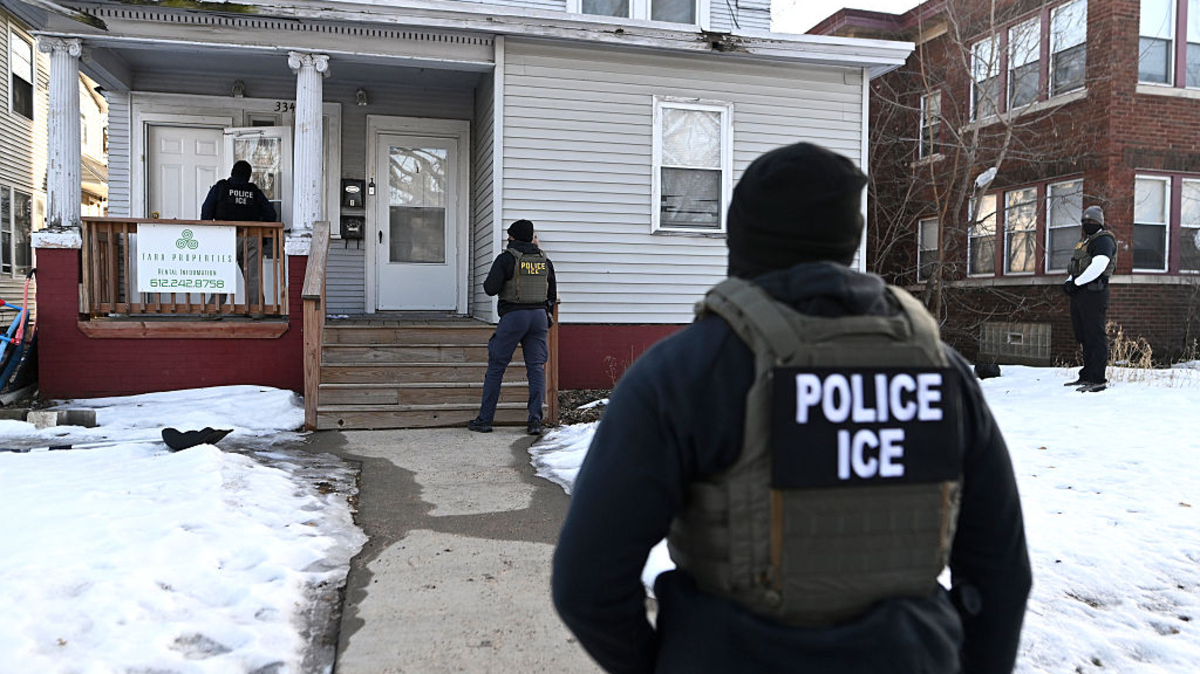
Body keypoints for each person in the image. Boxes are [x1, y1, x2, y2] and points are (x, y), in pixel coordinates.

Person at [552, 143, 1031, 674]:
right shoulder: (943, 371)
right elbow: (1001, 576)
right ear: (849, 239)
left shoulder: (683, 373)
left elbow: (587, 584)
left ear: (741, 237)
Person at [468, 219, 557, 436]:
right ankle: (535, 421)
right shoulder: (545, 260)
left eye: (509, 235)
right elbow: (551, 294)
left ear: (513, 237)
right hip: (538, 317)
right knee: (536, 368)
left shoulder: (507, 258)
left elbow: (490, 288)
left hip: (514, 316)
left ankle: (485, 420)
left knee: (497, 367)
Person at [200, 160, 277, 311]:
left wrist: (209, 233)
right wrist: (260, 227)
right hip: (252, 236)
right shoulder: (253, 191)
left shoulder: (221, 187)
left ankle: (213, 309)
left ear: (232, 172)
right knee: (253, 276)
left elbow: (206, 210)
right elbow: (271, 214)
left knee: (221, 274)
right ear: (248, 176)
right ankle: (256, 310)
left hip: (225, 236)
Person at [1063, 205, 1116, 393]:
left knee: (1095, 335)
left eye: (1091, 221)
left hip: (1094, 292)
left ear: (1099, 222)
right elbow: (1076, 265)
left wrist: (1076, 283)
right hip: (1081, 293)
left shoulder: (1104, 241)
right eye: (1084, 221)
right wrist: (1070, 281)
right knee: (1083, 335)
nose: (1087, 224)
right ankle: (1087, 375)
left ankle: (1097, 378)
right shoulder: (1085, 241)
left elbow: (1099, 266)